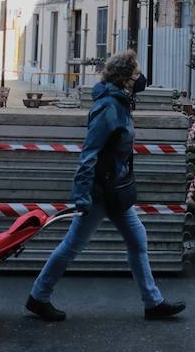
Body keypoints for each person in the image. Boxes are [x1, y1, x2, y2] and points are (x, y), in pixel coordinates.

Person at [26, 50, 185, 322]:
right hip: (100, 193)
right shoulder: (109, 108)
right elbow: (89, 154)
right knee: (73, 245)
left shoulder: (120, 102)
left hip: (115, 189)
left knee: (137, 240)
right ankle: (38, 297)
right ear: (125, 79)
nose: (141, 78)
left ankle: (153, 303)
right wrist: (82, 196)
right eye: (136, 74)